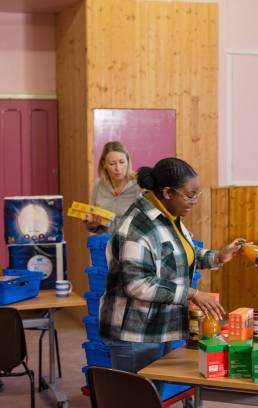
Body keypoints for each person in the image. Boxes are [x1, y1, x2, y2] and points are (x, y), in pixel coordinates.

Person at [99, 157, 244, 386]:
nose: (194, 201)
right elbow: (138, 284)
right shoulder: (136, 228)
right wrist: (192, 293)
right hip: (135, 334)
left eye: (196, 194)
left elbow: (178, 255)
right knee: (136, 401)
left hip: (158, 328)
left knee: (154, 398)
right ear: (167, 192)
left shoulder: (168, 216)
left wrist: (218, 256)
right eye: (189, 195)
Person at [84, 141, 140, 234]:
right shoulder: (98, 185)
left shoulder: (139, 185)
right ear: (104, 164)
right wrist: (92, 225)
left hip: (132, 244)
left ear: (128, 161)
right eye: (112, 164)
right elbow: (91, 225)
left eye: (122, 162)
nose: (118, 169)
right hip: (105, 244)